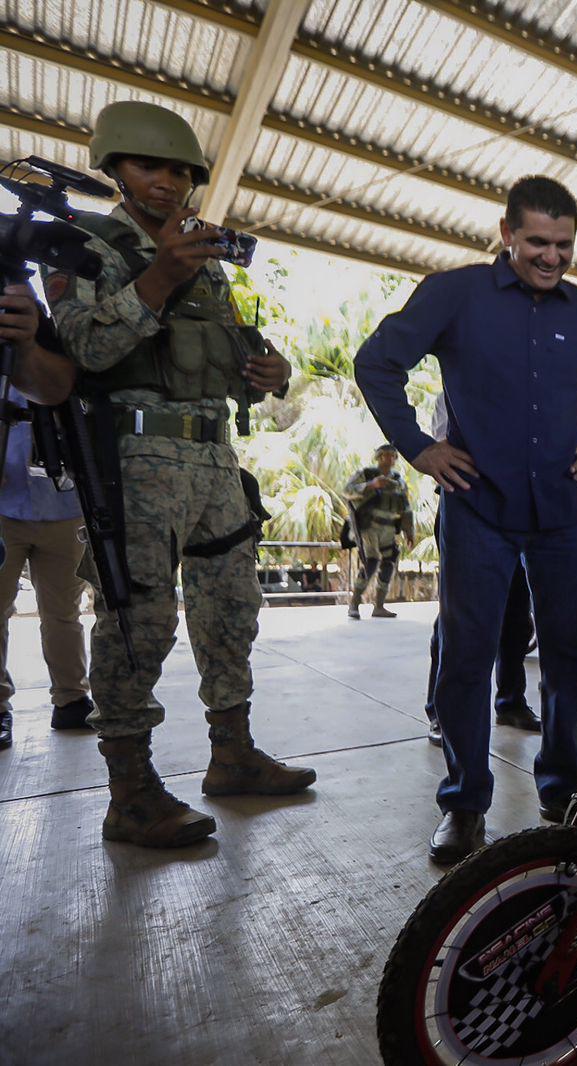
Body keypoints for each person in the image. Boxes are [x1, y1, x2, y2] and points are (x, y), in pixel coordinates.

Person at [43, 100, 314, 848]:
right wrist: (158, 277)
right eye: (146, 166)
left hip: (214, 455)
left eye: (179, 171)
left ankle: (233, 755)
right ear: (114, 169)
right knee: (140, 623)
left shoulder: (205, 256)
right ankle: (130, 792)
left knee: (232, 611)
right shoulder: (83, 246)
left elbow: (216, 357)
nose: (165, 182)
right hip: (135, 459)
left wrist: (263, 372)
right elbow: (86, 351)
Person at [355, 175, 577, 865]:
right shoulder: (456, 295)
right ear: (506, 231)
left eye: (564, 244)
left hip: (561, 515)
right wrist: (421, 449)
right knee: (466, 657)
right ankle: (464, 804)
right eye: (538, 241)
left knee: (568, 657)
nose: (552, 257)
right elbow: (376, 362)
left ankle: (564, 789)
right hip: (479, 507)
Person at [0, 284, 86, 750]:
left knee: (64, 614)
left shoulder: (60, 361)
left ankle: (71, 699)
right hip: (4, 507)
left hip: (62, 507)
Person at [421, 404, 538, 742]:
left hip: (521, 506)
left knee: (517, 614)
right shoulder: (459, 380)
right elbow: (441, 446)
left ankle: (511, 700)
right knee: (457, 616)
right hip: (467, 502)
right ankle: (443, 711)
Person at [343, 443, 413, 619]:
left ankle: (379, 606)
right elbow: (347, 491)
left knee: (389, 562)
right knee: (371, 562)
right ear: (378, 457)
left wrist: (409, 530)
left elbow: (405, 507)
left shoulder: (398, 481)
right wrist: (370, 485)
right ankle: (355, 603)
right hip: (369, 526)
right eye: (384, 455)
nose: (388, 459)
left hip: (388, 527)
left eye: (392, 456)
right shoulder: (367, 474)